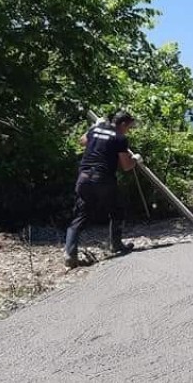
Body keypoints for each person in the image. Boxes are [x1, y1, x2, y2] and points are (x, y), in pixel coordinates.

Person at [64, 110, 142, 268]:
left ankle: (70, 254)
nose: (129, 130)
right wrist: (135, 159)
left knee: (80, 215)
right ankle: (116, 244)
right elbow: (126, 166)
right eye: (129, 126)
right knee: (117, 209)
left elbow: (82, 141)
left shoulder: (95, 130)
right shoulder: (120, 137)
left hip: (84, 178)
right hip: (103, 179)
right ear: (123, 124)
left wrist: (94, 126)